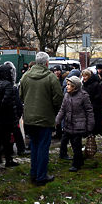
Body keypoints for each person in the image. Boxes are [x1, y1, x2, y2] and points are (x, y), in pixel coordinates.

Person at [19, 52, 63, 186]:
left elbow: (21, 96)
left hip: (29, 118)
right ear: (47, 63)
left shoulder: (25, 76)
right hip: (45, 118)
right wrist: (53, 112)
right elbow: (58, 98)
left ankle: (34, 173)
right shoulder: (51, 78)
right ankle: (41, 176)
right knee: (43, 147)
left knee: (34, 146)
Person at [55, 76, 94, 172]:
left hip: (79, 125)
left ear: (75, 86)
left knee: (76, 144)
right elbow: (62, 109)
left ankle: (76, 164)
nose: (67, 87)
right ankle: (79, 160)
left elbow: (89, 111)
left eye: (69, 85)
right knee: (73, 144)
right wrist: (57, 121)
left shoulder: (83, 96)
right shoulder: (67, 95)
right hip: (69, 124)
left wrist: (90, 126)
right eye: (67, 84)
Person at [0, 63, 20, 167]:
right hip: (6, 118)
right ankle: (8, 160)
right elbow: (7, 102)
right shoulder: (8, 85)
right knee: (6, 140)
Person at [82, 69, 102, 151]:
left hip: (94, 110)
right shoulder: (85, 84)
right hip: (88, 109)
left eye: (85, 76)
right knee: (91, 129)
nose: (84, 78)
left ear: (89, 76)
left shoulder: (95, 84)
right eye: (83, 76)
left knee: (96, 128)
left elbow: (98, 98)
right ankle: (90, 144)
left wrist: (92, 106)